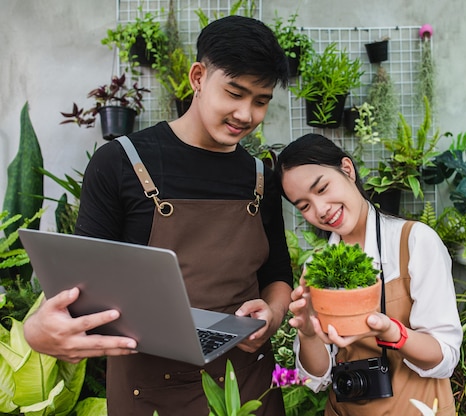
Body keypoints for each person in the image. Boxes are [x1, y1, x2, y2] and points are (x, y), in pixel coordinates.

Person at [23, 16, 293, 415]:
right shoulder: (120, 163)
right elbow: (77, 288)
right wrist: (39, 330)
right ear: (198, 77)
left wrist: (270, 314)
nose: (245, 114)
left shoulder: (259, 177)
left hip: (248, 384)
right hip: (149, 391)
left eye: (261, 100)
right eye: (234, 93)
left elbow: (276, 275)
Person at [275, 133, 462, 416]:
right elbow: (316, 379)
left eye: (322, 188)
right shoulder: (318, 264)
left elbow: (445, 357)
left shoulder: (414, 242)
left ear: (347, 170)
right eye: (304, 206)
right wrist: (309, 333)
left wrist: (391, 331)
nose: (321, 210)